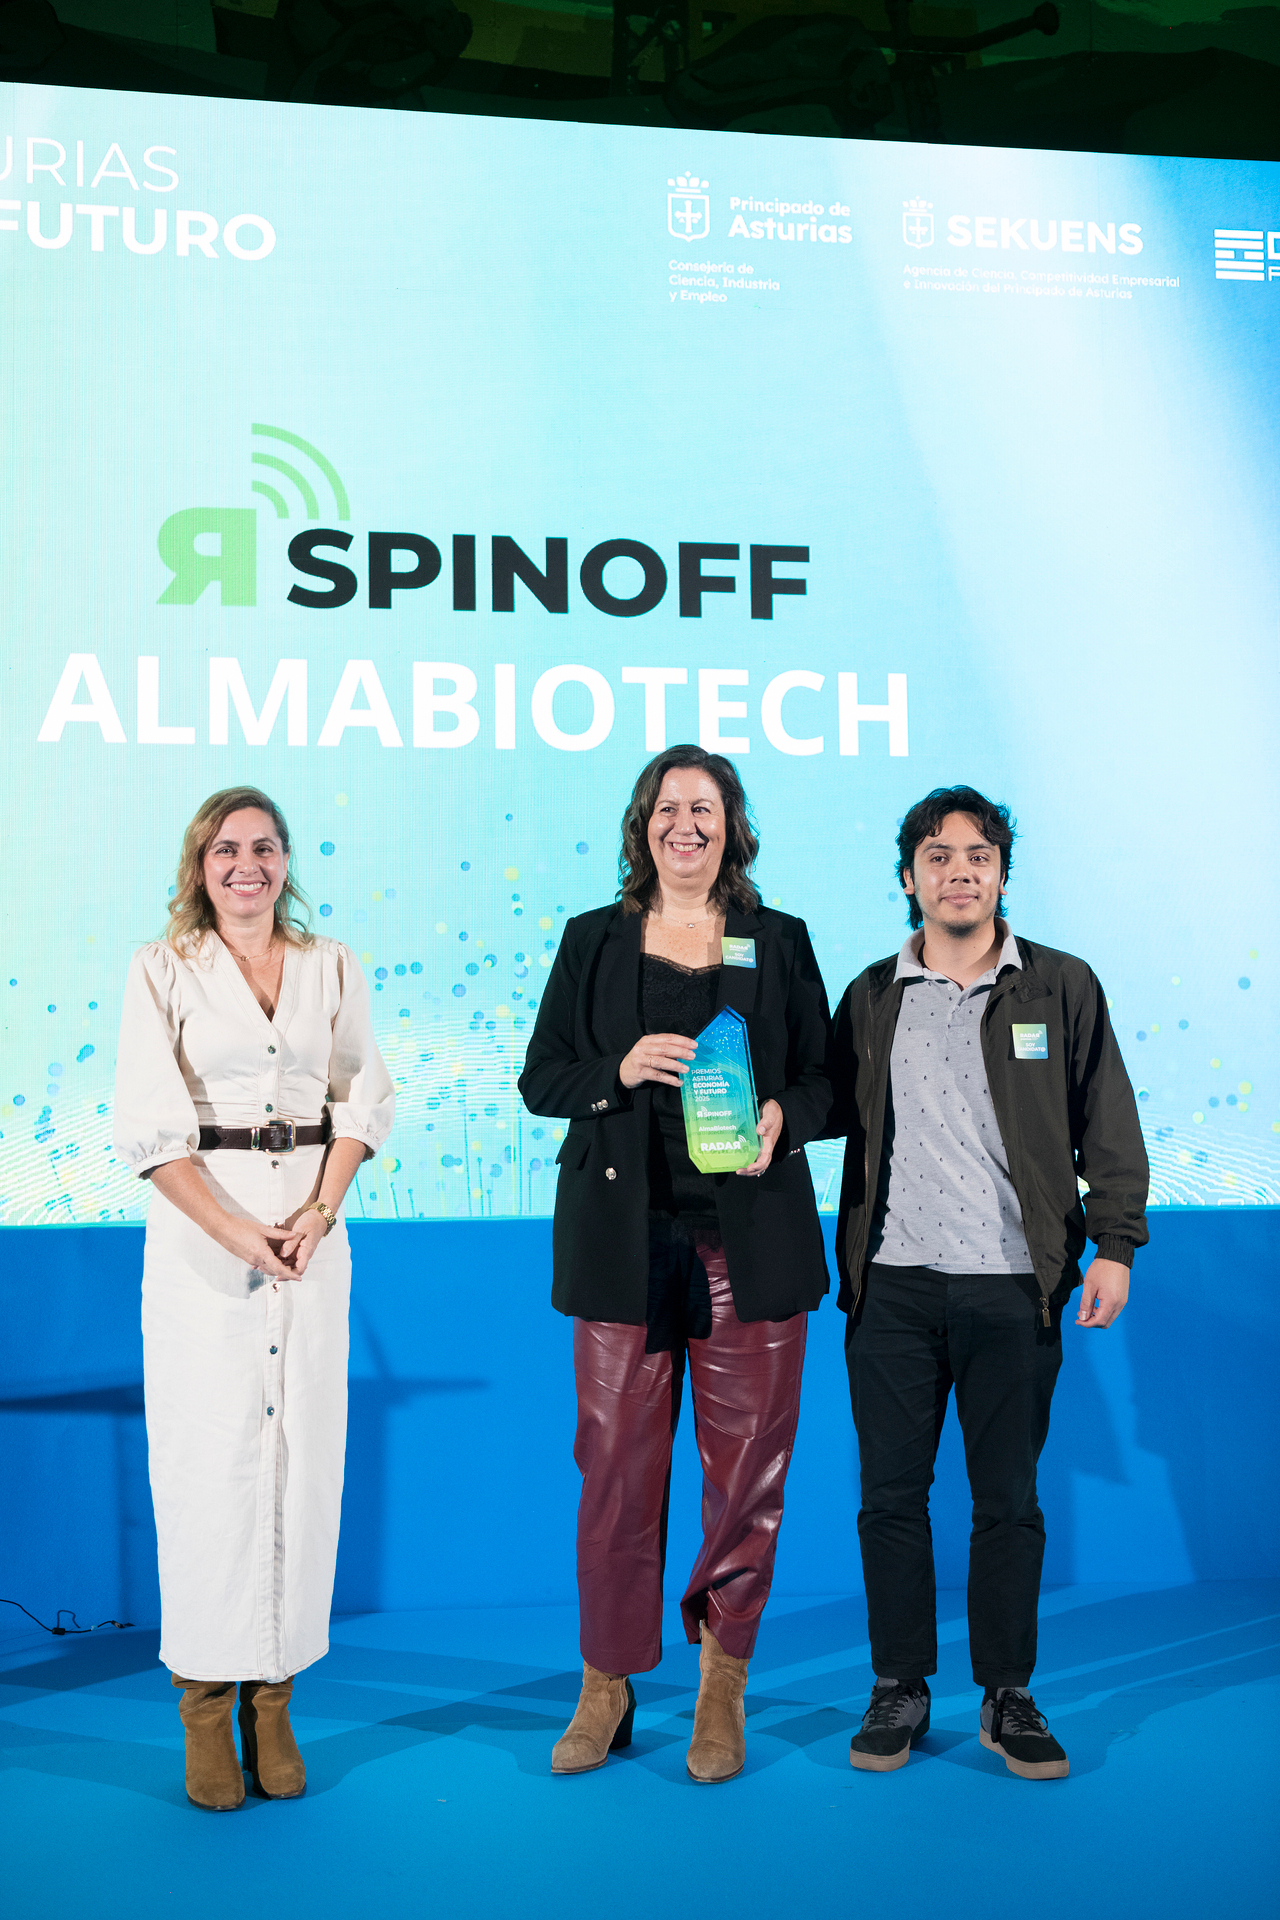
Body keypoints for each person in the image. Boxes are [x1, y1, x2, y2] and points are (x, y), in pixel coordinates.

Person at [518, 745, 832, 1784]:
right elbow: (540, 1080)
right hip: (623, 1248)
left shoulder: (777, 940)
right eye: (666, 807)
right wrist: (613, 1070)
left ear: (730, 825)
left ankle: (720, 1686)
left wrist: (786, 1114)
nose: (683, 824)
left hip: (748, 1245)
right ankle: (604, 1685)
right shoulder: (590, 940)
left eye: (703, 808)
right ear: (641, 824)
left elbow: (831, 1079)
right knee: (612, 1476)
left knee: (746, 1478)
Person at [829, 786, 1148, 1781]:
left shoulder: (1058, 986)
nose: (958, 870)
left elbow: (1108, 1123)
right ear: (907, 877)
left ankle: (1006, 1693)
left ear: (1001, 872)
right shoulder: (871, 995)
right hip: (890, 1289)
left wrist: (1114, 1245)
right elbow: (815, 1104)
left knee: (1005, 1501)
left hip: (1013, 1287)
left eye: (977, 854)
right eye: (936, 855)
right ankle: (899, 1685)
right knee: (890, 1497)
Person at [113, 786, 394, 1811]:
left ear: (286, 863)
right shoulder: (161, 969)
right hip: (202, 1246)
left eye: (265, 848)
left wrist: (319, 1211)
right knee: (208, 1468)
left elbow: (364, 1096)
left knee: (300, 1465)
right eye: (226, 849)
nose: (247, 865)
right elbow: (148, 1131)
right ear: (199, 866)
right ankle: (201, 1701)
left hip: (313, 1236)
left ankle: (272, 1701)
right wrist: (240, 1232)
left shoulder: (331, 966)